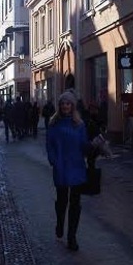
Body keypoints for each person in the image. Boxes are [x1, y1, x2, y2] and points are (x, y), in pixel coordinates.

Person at [46, 91, 93, 252]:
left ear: (72, 106)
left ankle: (71, 237)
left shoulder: (79, 125)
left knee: (75, 203)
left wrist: (95, 146)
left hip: (77, 166)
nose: (65, 106)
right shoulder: (53, 124)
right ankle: (60, 222)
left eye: (68, 103)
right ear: (59, 106)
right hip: (61, 166)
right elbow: (50, 144)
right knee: (62, 200)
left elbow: (84, 145)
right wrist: (53, 160)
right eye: (63, 103)